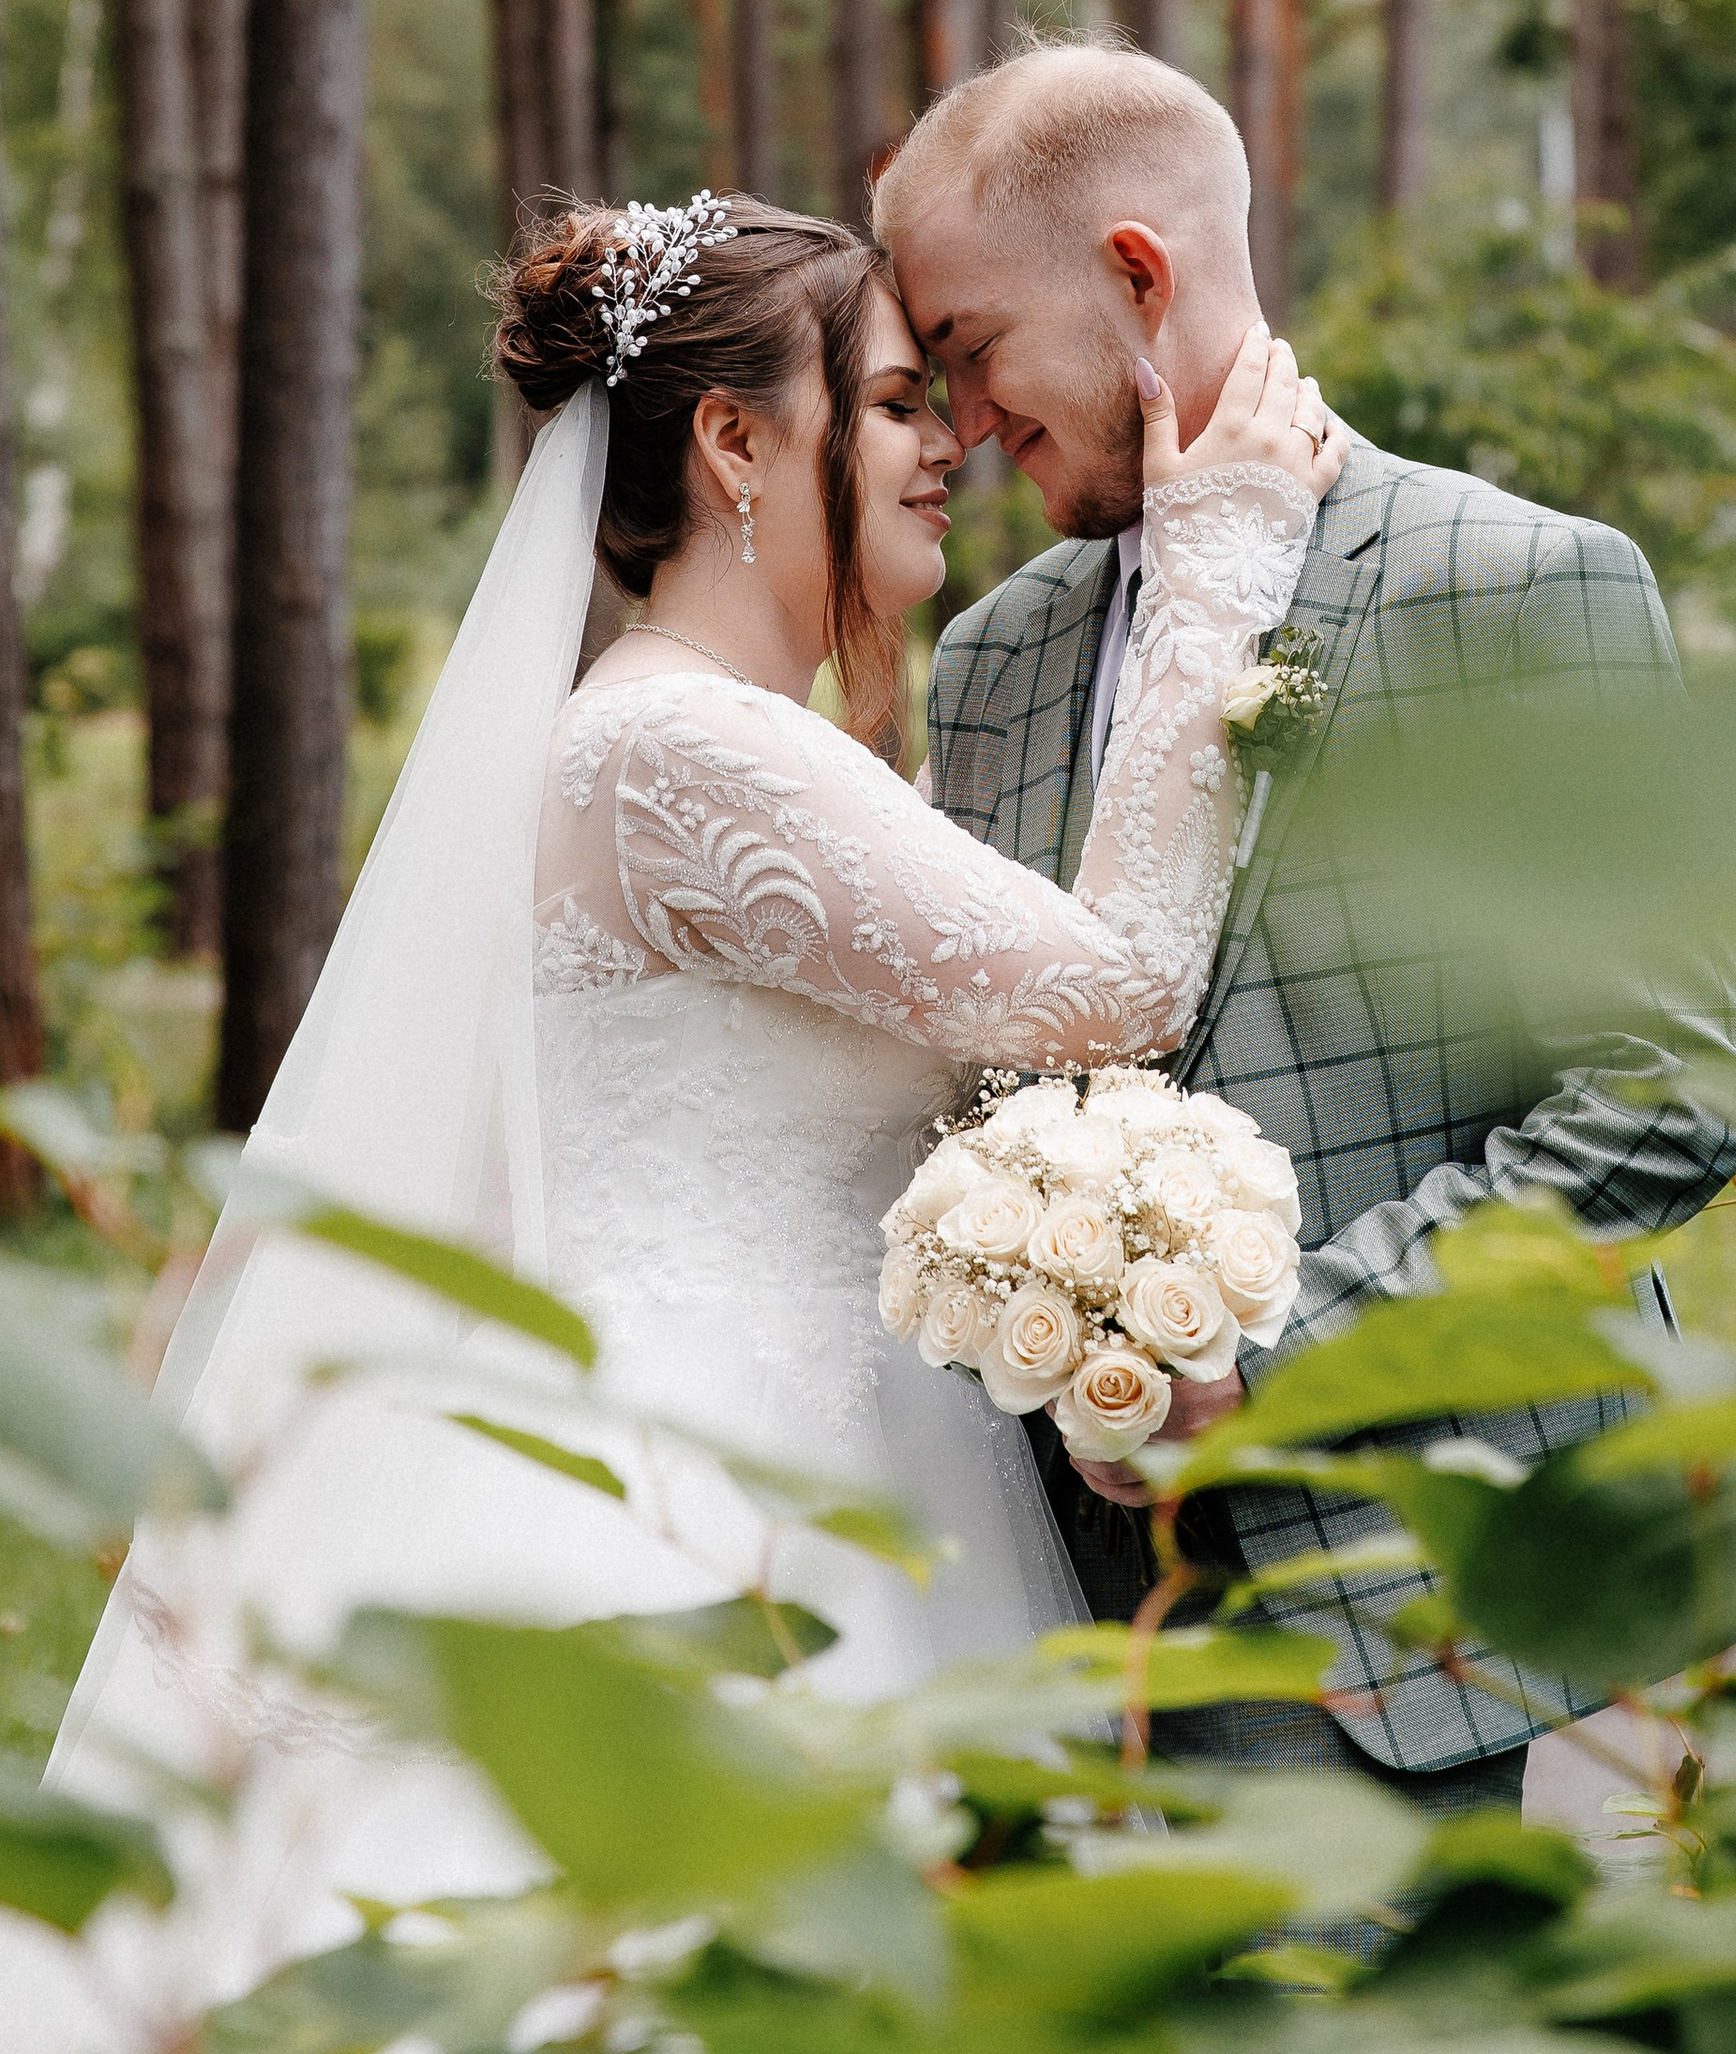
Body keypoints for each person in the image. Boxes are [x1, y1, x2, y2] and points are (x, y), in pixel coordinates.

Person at [45, 193, 1339, 1986]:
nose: (950, 438)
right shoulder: (675, 743)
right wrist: (1230, 548)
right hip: (714, 1488)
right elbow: (1113, 986)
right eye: (892, 400)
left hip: (848, 1449)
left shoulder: (724, 733)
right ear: (737, 439)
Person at [878, 40, 1736, 1813]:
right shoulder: (991, 661)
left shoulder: (1513, 588)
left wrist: (1261, 1355)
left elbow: (1667, 1087)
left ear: (1138, 272)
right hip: (1056, 1638)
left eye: (971, 349)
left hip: (1392, 1605)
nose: (962, 425)